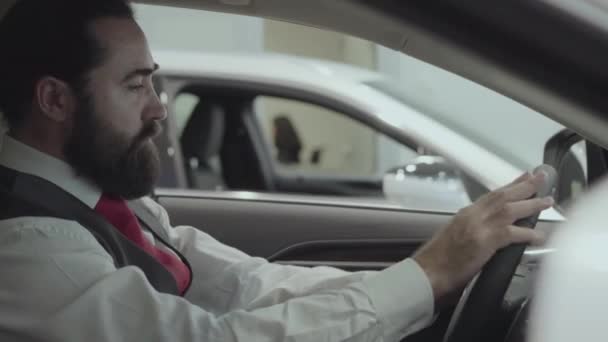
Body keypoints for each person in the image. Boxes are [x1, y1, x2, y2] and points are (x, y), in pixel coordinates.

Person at [0, 1, 553, 341]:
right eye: (134, 84)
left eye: (154, 81)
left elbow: (245, 285)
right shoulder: (26, 246)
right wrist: (425, 276)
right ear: (55, 99)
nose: (159, 108)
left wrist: (430, 282)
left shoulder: (105, 197)